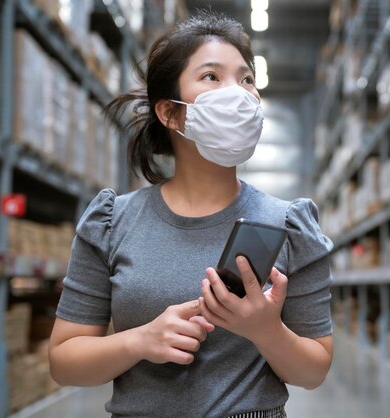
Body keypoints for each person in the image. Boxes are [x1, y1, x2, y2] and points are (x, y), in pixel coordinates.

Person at [48, 10, 334, 418]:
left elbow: (314, 369)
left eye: (246, 78)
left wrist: (266, 331)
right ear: (170, 112)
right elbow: (63, 360)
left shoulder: (290, 225)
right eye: (212, 77)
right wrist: (139, 341)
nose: (237, 92)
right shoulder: (112, 222)